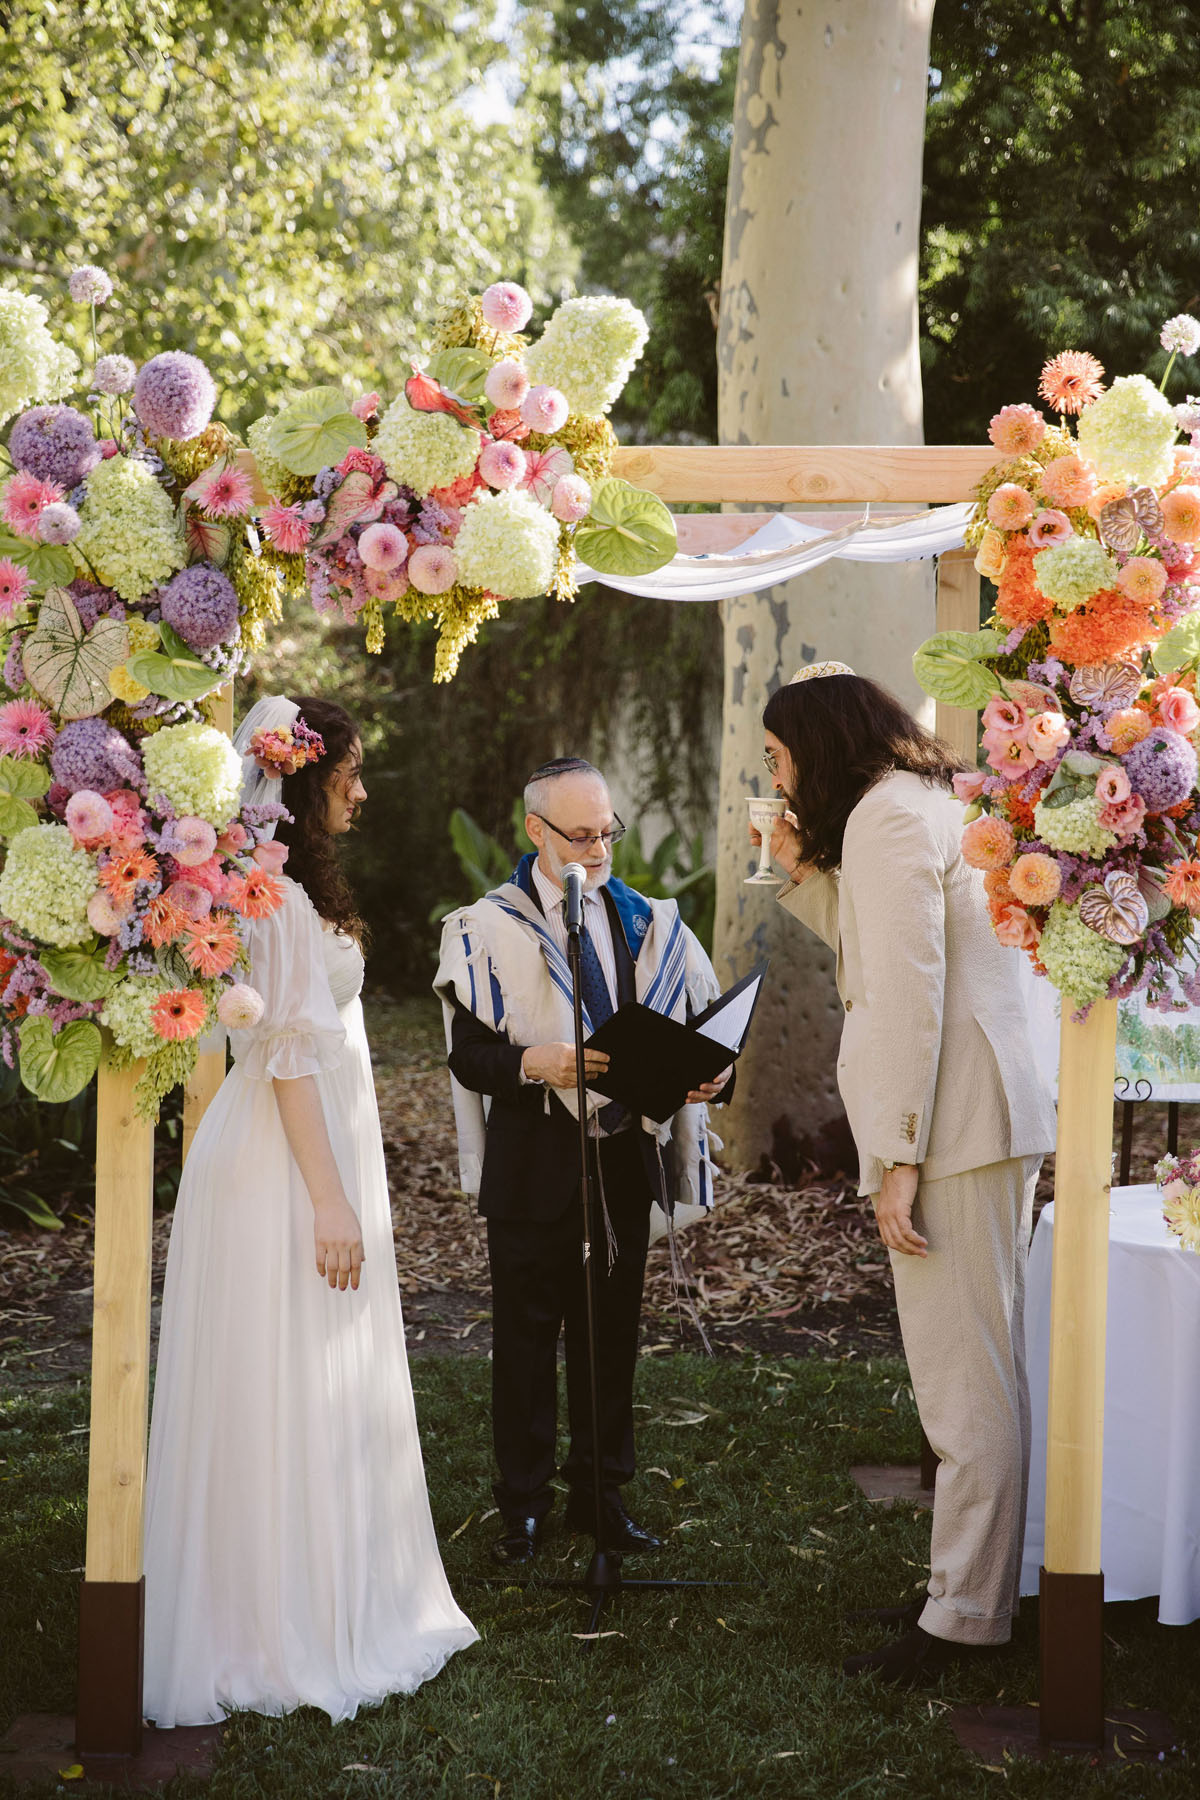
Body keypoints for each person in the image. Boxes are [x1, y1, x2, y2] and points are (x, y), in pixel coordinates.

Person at [143, 695, 477, 1727]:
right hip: (283, 1164)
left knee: (299, 1374)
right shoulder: (272, 898)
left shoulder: (291, 887)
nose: (363, 793)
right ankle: (266, 1623)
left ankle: (311, 1588)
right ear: (306, 778)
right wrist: (331, 1201)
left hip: (311, 1146)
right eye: (351, 776)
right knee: (271, 1377)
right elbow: (286, 1053)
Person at [756, 662, 1056, 1687]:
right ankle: (975, 1586)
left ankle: (965, 1623)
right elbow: (884, 953)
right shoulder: (927, 798)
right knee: (987, 1362)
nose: (777, 775)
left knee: (963, 1382)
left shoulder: (885, 818)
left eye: (779, 755)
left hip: (956, 1122)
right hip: (989, 1111)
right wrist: (802, 873)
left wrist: (898, 1156)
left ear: (820, 744)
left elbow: (909, 996)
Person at [434, 757, 731, 1565]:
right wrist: (537, 1063)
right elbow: (470, 1059)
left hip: (622, 1159)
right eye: (581, 834)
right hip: (534, 1162)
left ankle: (600, 1497)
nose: (599, 849)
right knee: (527, 1345)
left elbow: (699, 1023)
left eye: (608, 831)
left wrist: (712, 1071)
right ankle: (522, 1507)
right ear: (536, 831)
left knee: (610, 1341)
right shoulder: (485, 927)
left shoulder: (649, 920)